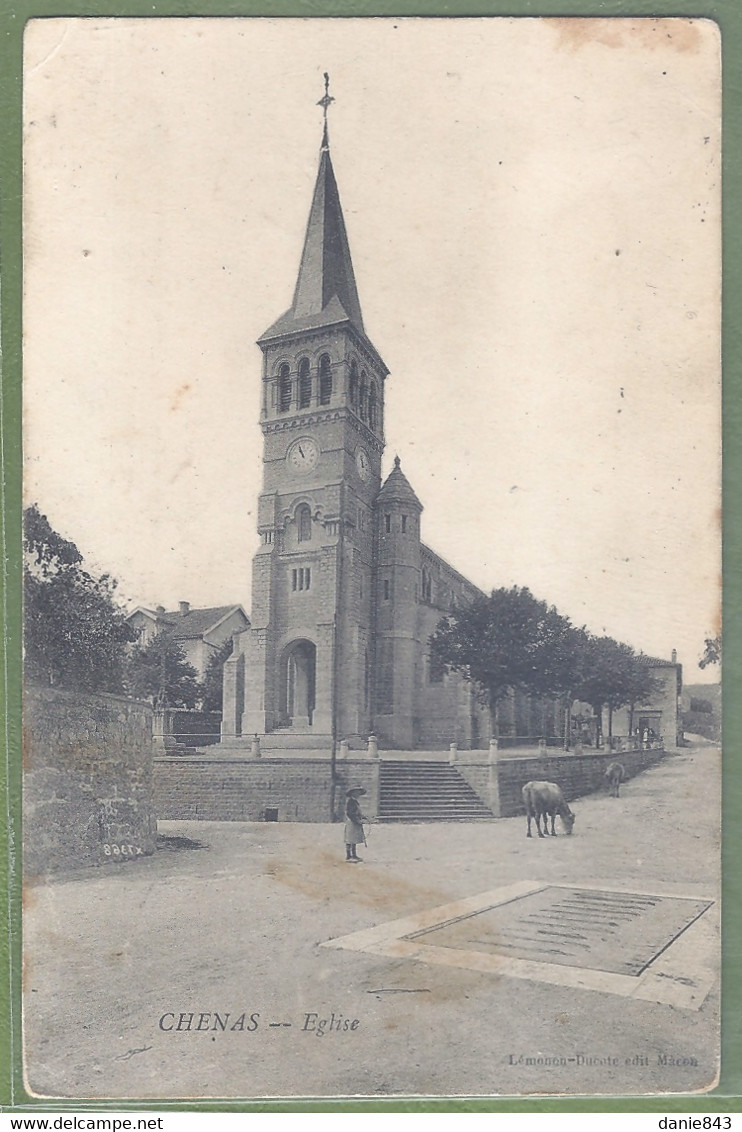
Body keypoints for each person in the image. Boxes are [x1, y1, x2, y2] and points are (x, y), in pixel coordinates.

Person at [344, 787, 368, 863]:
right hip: (352, 822)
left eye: (359, 792)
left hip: (355, 821)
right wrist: (356, 820)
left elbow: (358, 812)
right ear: (352, 793)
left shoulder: (355, 801)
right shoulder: (350, 802)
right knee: (350, 839)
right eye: (356, 792)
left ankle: (354, 855)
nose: (358, 794)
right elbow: (350, 813)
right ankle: (348, 856)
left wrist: (363, 817)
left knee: (354, 839)